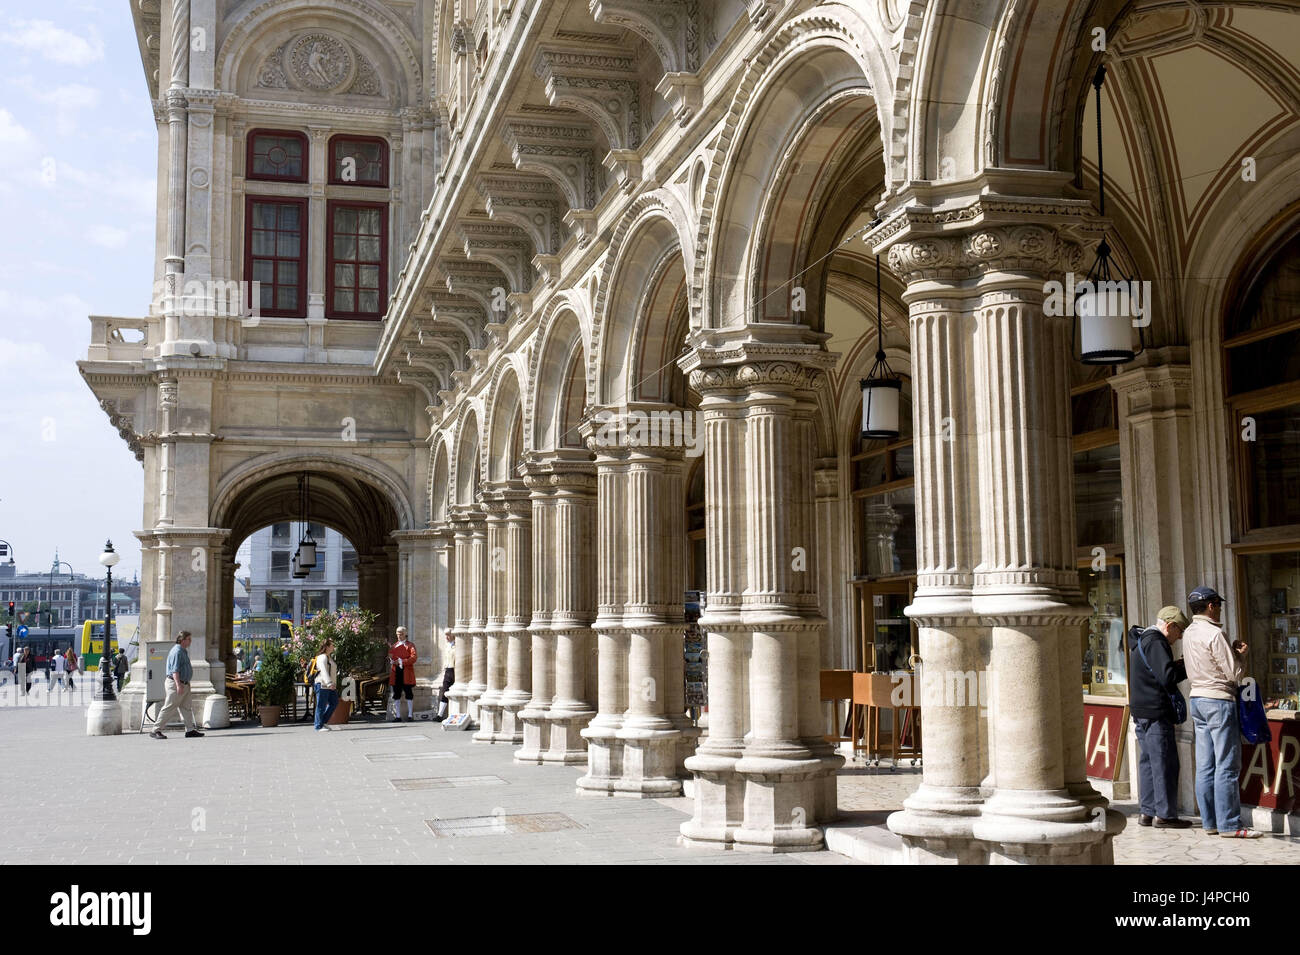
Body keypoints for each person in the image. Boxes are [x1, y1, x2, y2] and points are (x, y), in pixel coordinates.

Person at [1182, 586, 1260, 838]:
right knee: (1227, 765)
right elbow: (1234, 674)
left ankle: (1211, 822)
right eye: (1219, 605)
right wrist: (1240, 655)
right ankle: (1230, 824)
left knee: (1205, 766)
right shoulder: (1215, 634)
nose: (1220, 610)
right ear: (1211, 606)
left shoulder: (1189, 632)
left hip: (1197, 699)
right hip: (1218, 700)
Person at [1129, 606, 1191, 828]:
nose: (1180, 636)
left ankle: (1147, 812)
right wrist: (1186, 666)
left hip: (1141, 710)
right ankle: (1164, 815)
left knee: (1148, 761)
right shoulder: (1156, 641)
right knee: (1164, 763)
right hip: (1155, 711)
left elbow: (1155, 671)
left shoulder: (1142, 639)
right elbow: (1167, 677)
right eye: (1180, 630)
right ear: (1170, 625)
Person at [150, 630, 204, 740]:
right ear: (182, 640)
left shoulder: (183, 651)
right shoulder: (177, 652)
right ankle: (155, 730)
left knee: (186, 707)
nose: (190, 641)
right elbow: (175, 670)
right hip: (176, 683)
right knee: (169, 706)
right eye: (189, 639)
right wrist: (178, 685)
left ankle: (190, 730)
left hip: (184, 683)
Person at [389, 626, 416, 723]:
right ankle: (398, 716)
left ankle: (410, 715)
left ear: (405, 634)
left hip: (406, 672)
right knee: (396, 694)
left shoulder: (410, 645)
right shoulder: (394, 645)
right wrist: (392, 661)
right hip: (396, 672)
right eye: (397, 633)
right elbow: (391, 656)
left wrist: (401, 661)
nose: (399, 635)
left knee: (408, 693)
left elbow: (413, 658)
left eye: (401, 633)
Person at [313, 638, 339, 732]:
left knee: (334, 702)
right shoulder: (322, 657)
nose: (333, 647)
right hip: (322, 685)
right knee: (321, 706)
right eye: (332, 645)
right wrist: (329, 683)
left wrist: (332, 684)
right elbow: (323, 671)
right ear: (327, 647)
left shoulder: (329, 657)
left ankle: (322, 722)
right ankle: (318, 726)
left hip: (329, 685)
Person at [434, 632, 455, 722]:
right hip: (448, 669)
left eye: (448, 635)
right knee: (445, 690)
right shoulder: (447, 646)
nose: (447, 637)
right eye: (446, 635)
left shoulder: (457, 645)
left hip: (455, 669)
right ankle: (440, 715)